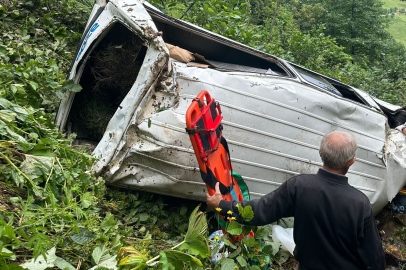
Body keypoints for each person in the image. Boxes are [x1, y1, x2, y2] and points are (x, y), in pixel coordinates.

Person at [206, 131, 385, 270]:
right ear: (350, 162)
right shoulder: (360, 203)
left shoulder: (299, 187)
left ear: (321, 154)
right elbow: (374, 257)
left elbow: (259, 211)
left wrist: (221, 205)